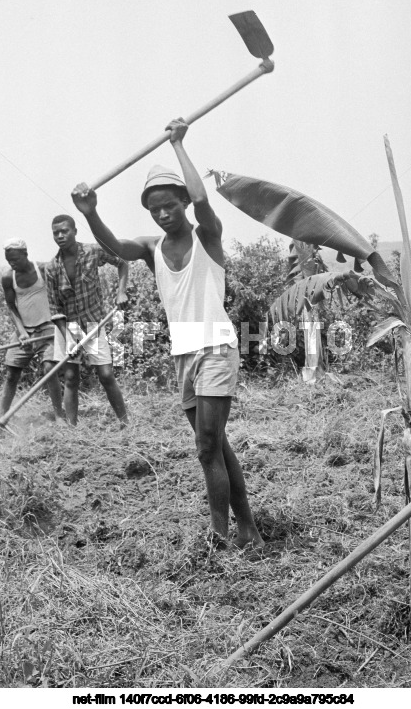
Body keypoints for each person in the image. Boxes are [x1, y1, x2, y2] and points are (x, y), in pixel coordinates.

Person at [70, 119, 263, 549]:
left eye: (168, 205)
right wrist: (90, 213)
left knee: (206, 446)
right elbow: (116, 247)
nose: (161, 214)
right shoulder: (151, 248)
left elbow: (201, 197)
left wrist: (179, 146)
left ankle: (218, 535)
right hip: (184, 357)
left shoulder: (206, 236)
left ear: (181, 203)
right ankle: (247, 526)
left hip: (215, 348)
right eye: (154, 208)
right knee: (215, 444)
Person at [45, 214, 129, 427]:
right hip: (68, 326)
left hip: (94, 322)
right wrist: (69, 338)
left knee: (106, 374)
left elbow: (122, 263)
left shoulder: (93, 251)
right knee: (71, 377)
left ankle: (125, 423)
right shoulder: (52, 268)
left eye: (65, 231)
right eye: (56, 232)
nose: (61, 236)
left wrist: (121, 292)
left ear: (75, 231)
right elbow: (55, 308)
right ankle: (73, 429)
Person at [0, 238, 65, 420]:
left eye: (15, 260)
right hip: (25, 332)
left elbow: (60, 296)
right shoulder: (8, 277)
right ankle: (1, 416)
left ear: (25, 254)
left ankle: (59, 415)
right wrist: (21, 332)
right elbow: (12, 307)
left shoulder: (43, 269)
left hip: (49, 328)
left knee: (49, 370)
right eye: (8, 261)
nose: (12, 264)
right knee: (12, 374)